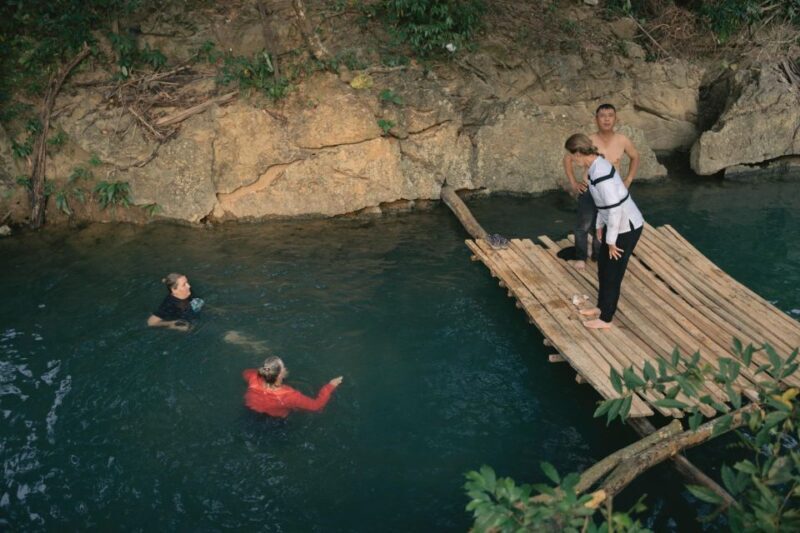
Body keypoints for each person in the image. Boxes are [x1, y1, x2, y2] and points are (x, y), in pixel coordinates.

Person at [564, 133, 644, 330]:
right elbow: (602, 205)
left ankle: (606, 319)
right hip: (615, 223)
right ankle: (602, 308)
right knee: (604, 268)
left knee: (612, 273)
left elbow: (615, 209)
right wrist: (600, 226)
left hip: (627, 227)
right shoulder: (594, 167)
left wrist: (610, 241)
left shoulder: (600, 175)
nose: (572, 160)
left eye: (572, 156)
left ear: (580, 153)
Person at [563, 104, 640, 269]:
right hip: (589, 189)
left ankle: (599, 256)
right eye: (602, 115)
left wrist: (628, 180)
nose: (606, 119)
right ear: (596, 119)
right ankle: (581, 257)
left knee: (605, 224)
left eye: (610, 115)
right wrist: (574, 183)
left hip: (610, 192)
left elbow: (635, 157)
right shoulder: (589, 140)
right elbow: (568, 158)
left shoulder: (622, 140)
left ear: (616, 118)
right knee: (583, 225)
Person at [242, 356, 343, 418]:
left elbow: (245, 373)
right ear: (280, 375)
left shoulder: (253, 377)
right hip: (274, 420)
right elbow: (316, 406)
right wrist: (330, 386)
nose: (285, 368)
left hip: (250, 412)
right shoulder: (289, 396)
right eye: (283, 368)